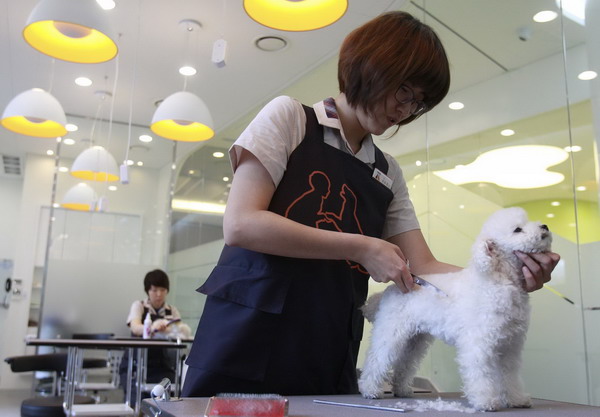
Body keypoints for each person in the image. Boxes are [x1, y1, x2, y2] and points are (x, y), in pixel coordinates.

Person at [182, 11, 560, 397]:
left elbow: (422, 267)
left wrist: (500, 278)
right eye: (404, 91)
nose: (406, 110)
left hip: (328, 346)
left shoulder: (387, 171)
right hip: (246, 337)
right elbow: (242, 224)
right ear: (372, 65)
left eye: (418, 102)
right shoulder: (290, 119)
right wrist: (362, 245)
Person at [120, 269, 183, 402]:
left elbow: (180, 331)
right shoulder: (139, 306)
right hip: (136, 364)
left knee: (169, 402)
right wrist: (152, 328)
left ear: (167, 290)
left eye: (162, 290)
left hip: (162, 365)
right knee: (135, 403)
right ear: (148, 291)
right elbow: (135, 327)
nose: (158, 294)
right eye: (154, 290)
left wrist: (168, 329)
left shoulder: (172, 310)